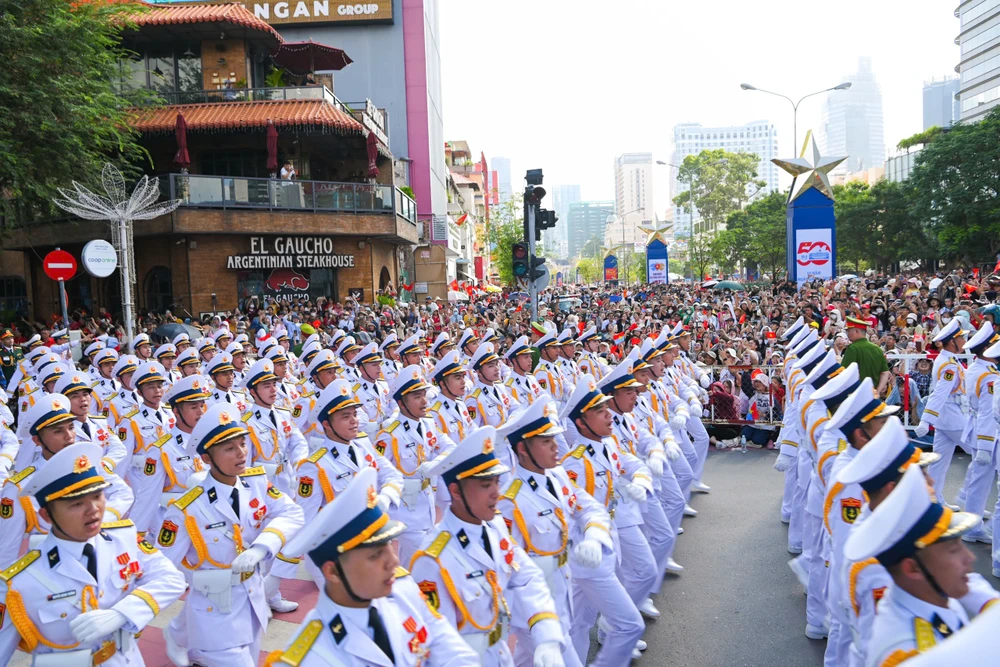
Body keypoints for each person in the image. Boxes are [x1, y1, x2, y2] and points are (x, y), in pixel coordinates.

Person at [265, 467, 478, 666]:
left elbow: (448, 646)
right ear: (333, 572)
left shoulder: (403, 590)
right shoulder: (312, 657)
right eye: (376, 555)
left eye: (388, 546)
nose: (393, 561)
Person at [0, 443, 186, 666]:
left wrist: (123, 613)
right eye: (77, 503)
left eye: (98, 496)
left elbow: (172, 579)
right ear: (47, 516)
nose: (94, 509)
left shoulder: (122, 539)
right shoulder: (18, 582)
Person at [154, 403, 305, 667]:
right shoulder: (186, 509)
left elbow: (293, 514)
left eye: (242, 444)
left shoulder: (256, 483)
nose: (241, 453)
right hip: (213, 607)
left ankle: (179, 634)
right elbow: (162, 566)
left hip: (252, 599)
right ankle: (181, 634)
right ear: (207, 459)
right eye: (229, 448)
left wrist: (261, 547)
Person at [409, 425, 567, 666]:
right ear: (455, 491)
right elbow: (435, 639)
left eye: (496, 482)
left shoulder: (494, 528)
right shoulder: (433, 559)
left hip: (501, 652)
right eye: (485, 485)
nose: (496, 493)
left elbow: (525, 576)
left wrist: (546, 632)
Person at [497, 398, 613, 667]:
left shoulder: (557, 476)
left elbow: (589, 508)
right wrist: (537, 622)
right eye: (546, 441)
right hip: (535, 609)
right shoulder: (510, 501)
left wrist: (594, 536)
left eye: (554, 439)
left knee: (527, 661)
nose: (556, 446)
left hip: (561, 588)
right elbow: (509, 569)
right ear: (522, 449)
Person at [844, 464, 997, 667]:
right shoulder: (909, 652)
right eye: (953, 549)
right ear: (912, 568)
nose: (970, 557)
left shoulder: (931, 596)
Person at [916, 318, 970, 502]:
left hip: (946, 418)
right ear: (952, 341)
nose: (964, 340)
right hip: (953, 418)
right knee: (982, 453)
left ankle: (932, 500)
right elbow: (939, 393)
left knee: (938, 462)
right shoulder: (948, 364)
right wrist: (926, 419)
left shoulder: (949, 359)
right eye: (961, 338)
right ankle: (970, 498)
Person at [840, 317, 890, 395]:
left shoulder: (853, 348)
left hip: (856, 394)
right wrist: (877, 391)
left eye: (848, 331)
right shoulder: (877, 349)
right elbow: (885, 372)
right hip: (873, 395)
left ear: (856, 331)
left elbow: (844, 372)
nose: (847, 334)